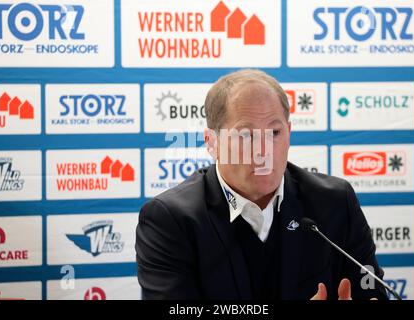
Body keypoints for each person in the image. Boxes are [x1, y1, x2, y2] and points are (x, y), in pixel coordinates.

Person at [135, 69, 388, 300]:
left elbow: (371, 291)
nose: (264, 151)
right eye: (246, 135)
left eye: (275, 133)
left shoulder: (335, 202)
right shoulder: (170, 220)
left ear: (289, 133)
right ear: (212, 143)